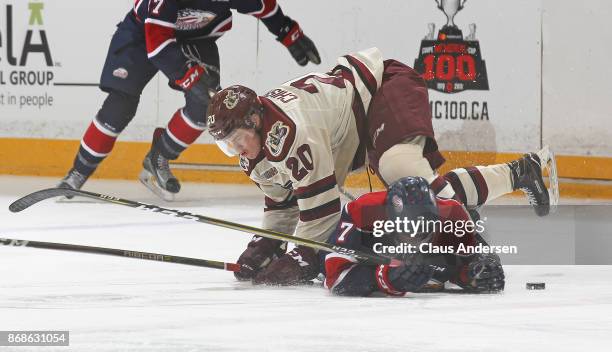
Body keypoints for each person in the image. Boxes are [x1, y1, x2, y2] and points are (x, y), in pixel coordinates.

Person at [205, 47, 553, 285]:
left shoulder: (291, 132)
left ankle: (501, 197)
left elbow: (322, 211)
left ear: (255, 119)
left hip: (384, 86)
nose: (236, 150)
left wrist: (302, 256)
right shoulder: (255, 149)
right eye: (226, 144)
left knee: (406, 175)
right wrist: (266, 244)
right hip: (353, 123)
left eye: (236, 138)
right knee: (422, 192)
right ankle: (522, 172)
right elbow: (284, 203)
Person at [58, 0, 321, 201]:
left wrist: (290, 35)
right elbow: (158, 46)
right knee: (120, 106)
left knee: (205, 108)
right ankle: (78, 172)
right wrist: (188, 76)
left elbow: (264, 7)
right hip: (144, 35)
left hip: (198, 39)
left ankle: (158, 156)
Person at [324, 176, 505, 297]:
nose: (415, 238)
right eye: (408, 229)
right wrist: (386, 278)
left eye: (424, 229)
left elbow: (466, 265)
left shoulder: (452, 214)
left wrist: (476, 274)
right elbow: (335, 279)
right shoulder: (361, 211)